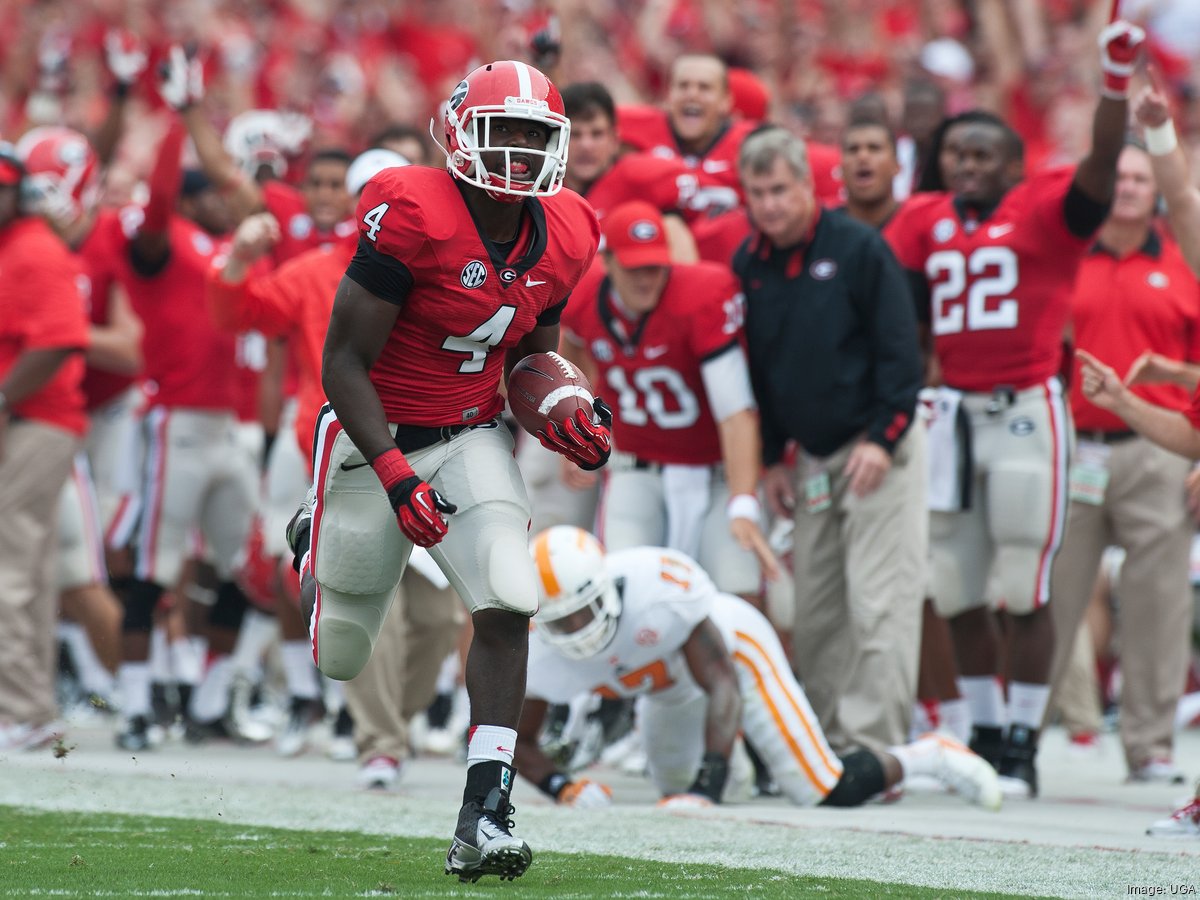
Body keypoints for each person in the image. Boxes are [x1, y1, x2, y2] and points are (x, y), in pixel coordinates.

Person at [314, 60, 603, 882]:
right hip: (375, 435)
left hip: (471, 431)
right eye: (499, 130)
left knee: (509, 597)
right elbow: (342, 364)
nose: (515, 151)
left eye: (531, 135)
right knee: (341, 650)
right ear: (456, 134)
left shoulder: (573, 229)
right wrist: (398, 473)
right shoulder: (411, 211)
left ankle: (485, 811)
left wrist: (563, 409)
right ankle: (315, 538)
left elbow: (529, 359)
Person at [884, 17, 1145, 797]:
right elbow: (903, 317)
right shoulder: (921, 218)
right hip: (953, 413)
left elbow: (1101, 161)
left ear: (1014, 164)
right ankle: (984, 734)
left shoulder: (1043, 210)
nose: (965, 166)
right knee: (957, 585)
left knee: (1022, 583)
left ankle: (1024, 741)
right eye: (957, 153)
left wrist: (1114, 84)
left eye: (982, 155)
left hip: (1026, 408)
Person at [207, 148, 462, 784]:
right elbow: (239, 313)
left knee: (435, 613)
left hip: (427, 449)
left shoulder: (447, 270)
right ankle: (376, 737)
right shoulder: (314, 270)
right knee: (363, 593)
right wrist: (237, 258)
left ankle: (385, 720)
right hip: (342, 455)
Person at [516, 527, 1001, 811]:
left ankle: (931, 756)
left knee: (820, 787)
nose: (576, 628)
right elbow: (517, 737)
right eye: (560, 620)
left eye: (581, 610)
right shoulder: (542, 651)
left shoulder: (655, 588)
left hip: (734, 653)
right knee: (674, 798)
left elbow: (722, 680)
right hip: (669, 692)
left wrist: (708, 785)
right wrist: (564, 787)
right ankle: (736, 770)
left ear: (606, 588)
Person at [734, 126, 926, 755]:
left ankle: (874, 749)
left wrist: (883, 437)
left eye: (780, 190)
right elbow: (763, 369)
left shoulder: (858, 248)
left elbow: (902, 351)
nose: (769, 204)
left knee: (877, 601)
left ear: (808, 186)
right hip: (811, 453)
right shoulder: (750, 262)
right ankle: (818, 742)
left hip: (876, 444)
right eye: (757, 192)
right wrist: (771, 458)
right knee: (813, 606)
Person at [1048, 141, 1200, 784]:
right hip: (1074, 446)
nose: (1130, 186)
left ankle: (1149, 745)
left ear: (1156, 189)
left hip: (1160, 450)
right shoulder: (1063, 258)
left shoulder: (1186, 262)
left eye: (1142, 177)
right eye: (1121, 176)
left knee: (1158, 599)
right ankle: (1024, 734)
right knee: (1050, 594)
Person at [561, 200, 777, 594]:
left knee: (735, 591)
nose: (646, 279)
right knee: (626, 588)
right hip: (636, 469)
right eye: (634, 268)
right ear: (607, 262)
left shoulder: (699, 297)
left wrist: (744, 500)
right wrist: (580, 422)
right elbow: (571, 355)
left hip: (713, 474)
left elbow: (736, 412)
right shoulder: (583, 296)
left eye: (654, 266)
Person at [0, 144, 91, 749]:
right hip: (28, 417)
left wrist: (3, 399)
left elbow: (61, 339)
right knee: (22, 565)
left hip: (36, 418)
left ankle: (21, 709)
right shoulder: (17, 247)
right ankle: (28, 707)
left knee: (12, 564)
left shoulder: (33, 248)